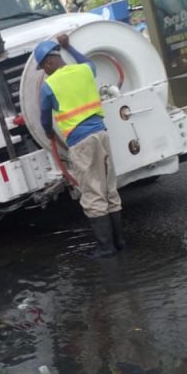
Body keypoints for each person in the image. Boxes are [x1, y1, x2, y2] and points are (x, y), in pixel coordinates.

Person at [36, 34, 124, 257]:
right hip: (101, 134)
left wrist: (48, 133)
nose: (44, 72)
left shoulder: (49, 86)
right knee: (109, 188)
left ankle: (106, 248)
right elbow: (88, 62)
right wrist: (69, 46)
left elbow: (44, 117)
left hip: (80, 142)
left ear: (49, 62)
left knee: (93, 193)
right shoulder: (85, 70)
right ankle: (119, 242)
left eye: (43, 67)